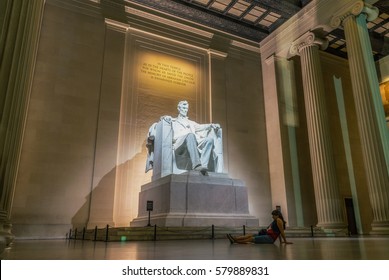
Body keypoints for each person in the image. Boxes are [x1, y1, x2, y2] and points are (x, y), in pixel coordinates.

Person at [162, 100, 222, 173]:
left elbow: (201, 127)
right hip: (179, 144)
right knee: (190, 135)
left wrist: (211, 125)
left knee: (209, 140)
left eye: (186, 108)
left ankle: (203, 165)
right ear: (178, 108)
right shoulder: (173, 121)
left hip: (192, 141)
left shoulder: (191, 123)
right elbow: (163, 119)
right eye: (183, 108)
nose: (185, 110)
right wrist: (165, 117)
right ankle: (196, 165)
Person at [227, 210, 293, 245]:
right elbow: (278, 231)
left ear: (277, 215)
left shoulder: (279, 220)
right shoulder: (276, 220)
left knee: (251, 239)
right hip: (267, 235)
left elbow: (281, 232)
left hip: (270, 238)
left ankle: (235, 241)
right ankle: (234, 238)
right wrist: (281, 241)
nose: (272, 217)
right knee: (250, 235)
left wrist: (285, 241)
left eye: (273, 215)